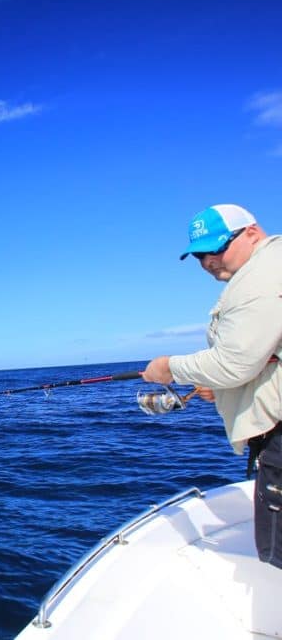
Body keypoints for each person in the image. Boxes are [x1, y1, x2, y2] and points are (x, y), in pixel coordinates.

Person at [142, 204, 282, 569]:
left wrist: (168, 367)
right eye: (199, 255)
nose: (208, 261)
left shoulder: (260, 278)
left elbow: (234, 363)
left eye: (216, 248)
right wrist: (219, 389)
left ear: (251, 232)